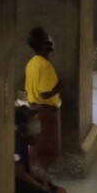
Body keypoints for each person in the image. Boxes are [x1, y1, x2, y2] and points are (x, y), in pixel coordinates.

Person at [23, 26, 62, 168]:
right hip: (46, 113)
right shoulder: (45, 66)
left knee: (36, 151)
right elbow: (45, 93)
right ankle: (43, 183)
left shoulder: (32, 63)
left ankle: (38, 178)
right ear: (45, 44)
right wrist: (59, 86)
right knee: (48, 152)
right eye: (47, 38)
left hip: (34, 110)